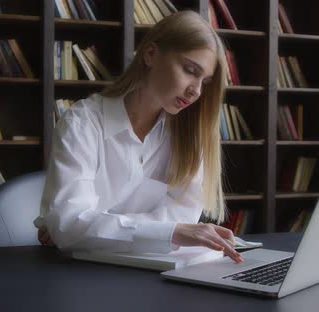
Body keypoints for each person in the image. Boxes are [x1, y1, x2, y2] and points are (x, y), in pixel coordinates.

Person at [34, 10, 243, 263]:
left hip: (154, 275)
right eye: (190, 70)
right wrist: (167, 232)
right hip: (77, 278)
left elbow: (70, 229)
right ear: (151, 54)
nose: (196, 91)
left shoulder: (190, 137)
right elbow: (69, 225)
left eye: (205, 81)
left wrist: (87, 228)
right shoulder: (83, 124)